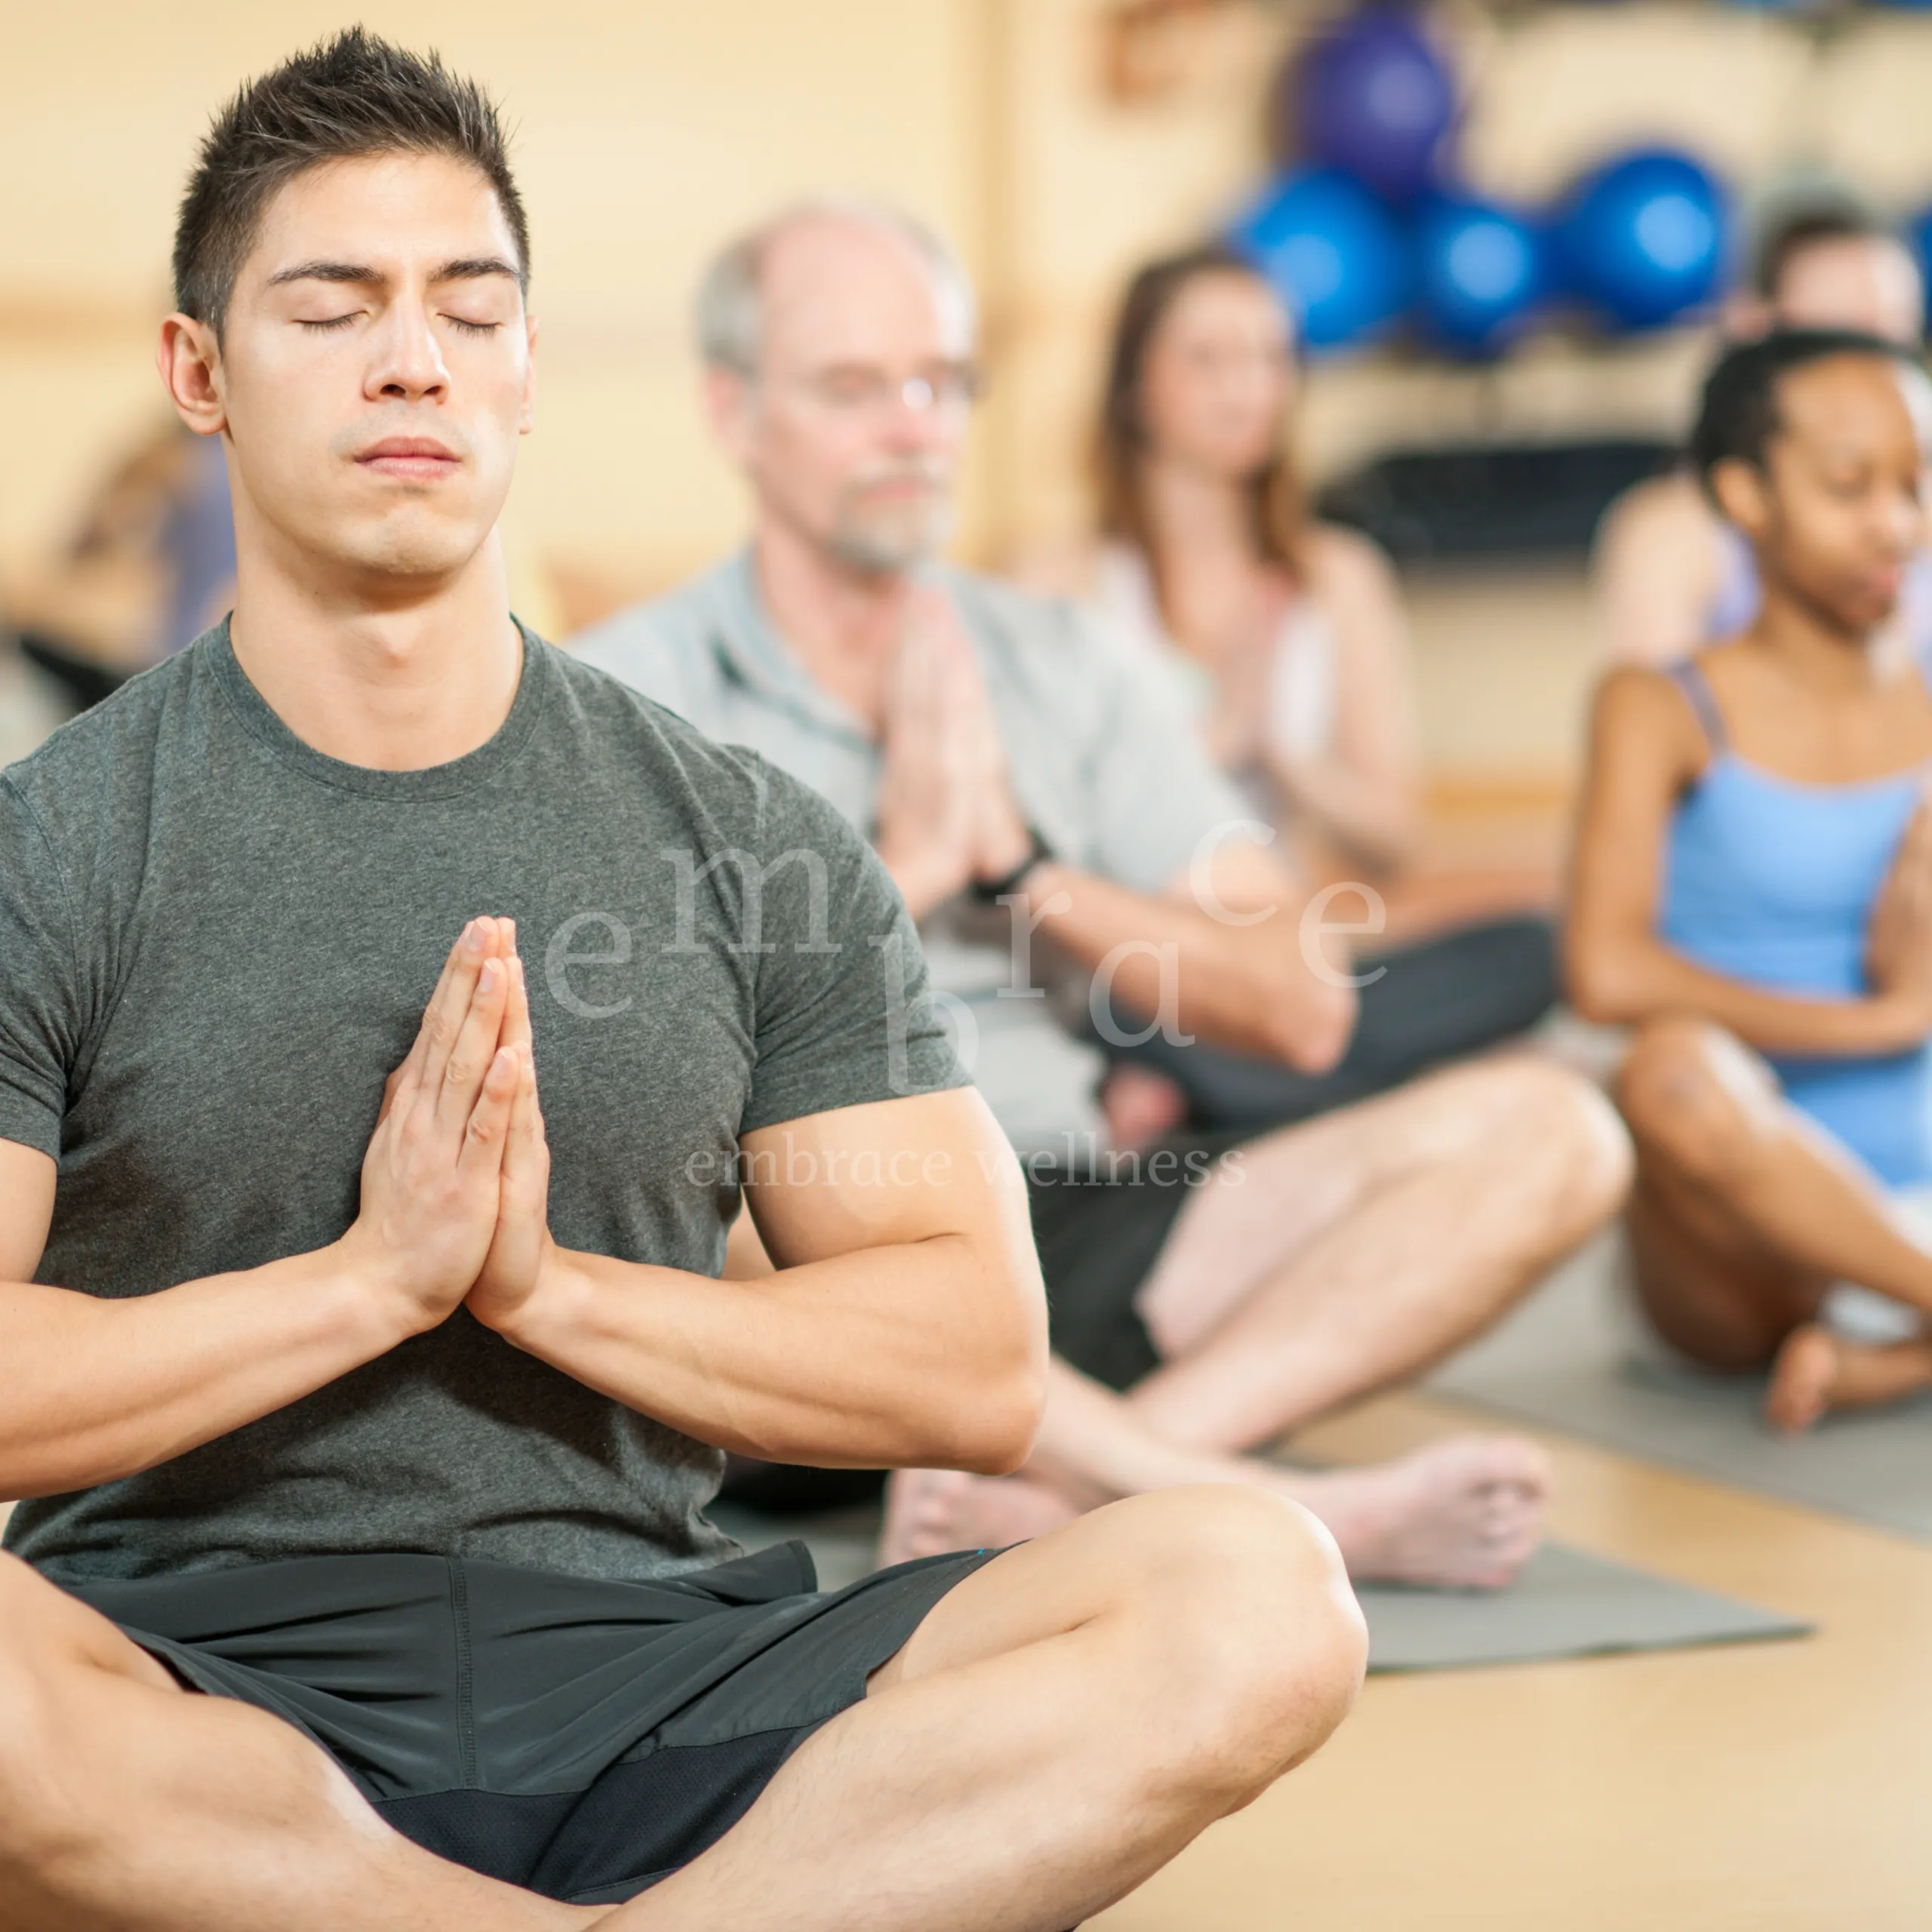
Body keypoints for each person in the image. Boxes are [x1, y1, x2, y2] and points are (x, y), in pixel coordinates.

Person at [0, 35, 1374, 1932]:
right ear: (199, 374)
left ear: (528, 374)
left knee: (1254, 1588)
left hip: (664, 1674)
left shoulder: (744, 833)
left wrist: (545, 1287)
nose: (415, 359)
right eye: (334, 307)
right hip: (191, 1689)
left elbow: (969, 1355)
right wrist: (366, 1282)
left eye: (470, 312)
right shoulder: (48, 844)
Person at [578, 199, 1632, 1586]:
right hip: (810, 1259)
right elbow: (635, 1088)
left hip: (1066, 1211)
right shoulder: (619, 700)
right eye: (853, 387)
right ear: (735, 409)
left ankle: (1084, 1489)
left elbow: (1306, 1007)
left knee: (1559, 1132)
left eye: (941, 383)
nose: (914, 426)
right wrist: (902, 873)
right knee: (677, 1210)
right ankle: (1237, 1501)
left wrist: (1028, 874)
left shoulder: (1059, 663)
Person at [1043, 241, 1560, 1140]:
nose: (1246, 388)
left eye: (1270, 358)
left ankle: (1239, 1094)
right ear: (1132, 387)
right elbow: (1041, 849)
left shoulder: (1338, 576)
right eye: (1208, 359)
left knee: (1537, 951)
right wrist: (1217, 738)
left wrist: (1285, 755)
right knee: (1120, 1022)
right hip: (1141, 980)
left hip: (1294, 967)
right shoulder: (1062, 585)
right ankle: (1286, 1088)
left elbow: (1393, 840)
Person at [1568, 328, 1932, 1433]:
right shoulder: (1660, 706)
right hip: (1736, 1231)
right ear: (1745, 495)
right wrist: (1880, 1023)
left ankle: (1900, 1355)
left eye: (1915, 485)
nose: (1896, 523)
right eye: (1848, 486)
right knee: (1664, 1073)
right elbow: (1607, 973)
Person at [1593, 199, 1927, 668]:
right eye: (1841, 336)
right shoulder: (1674, 532)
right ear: (1754, 323)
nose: (1876, 370)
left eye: (1894, 336)